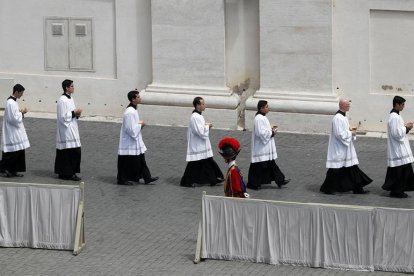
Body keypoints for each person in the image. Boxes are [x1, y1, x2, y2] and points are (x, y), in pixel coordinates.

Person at [320, 99, 372, 195]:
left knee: (352, 167)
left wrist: (350, 131)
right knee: (335, 169)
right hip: (339, 148)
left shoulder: (344, 117)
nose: (349, 106)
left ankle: (357, 188)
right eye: (347, 105)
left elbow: (343, 131)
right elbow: (339, 134)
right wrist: (350, 133)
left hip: (345, 147)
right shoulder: (338, 118)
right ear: (342, 106)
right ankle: (327, 188)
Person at [180, 97, 224, 187]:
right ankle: (186, 181)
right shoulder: (195, 117)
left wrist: (206, 125)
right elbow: (200, 132)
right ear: (197, 105)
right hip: (198, 144)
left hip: (201, 144)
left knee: (207, 162)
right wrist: (208, 126)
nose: (204, 105)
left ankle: (214, 179)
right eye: (203, 104)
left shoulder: (198, 116)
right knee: (195, 163)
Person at [117, 90, 158, 185]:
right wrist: (141, 125)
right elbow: (130, 129)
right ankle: (122, 179)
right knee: (126, 161)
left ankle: (147, 177)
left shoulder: (134, 110)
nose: (140, 98)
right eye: (138, 97)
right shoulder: (130, 112)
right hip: (129, 141)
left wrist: (139, 124)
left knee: (140, 158)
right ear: (133, 99)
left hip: (134, 140)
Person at [247, 100, 290, 190]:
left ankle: (280, 180)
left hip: (265, 147)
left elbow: (263, 130)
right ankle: (253, 183)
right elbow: (261, 133)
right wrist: (272, 132)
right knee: (257, 166)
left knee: (271, 163)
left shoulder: (262, 117)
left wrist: (270, 130)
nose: (268, 108)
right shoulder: (259, 118)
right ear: (261, 108)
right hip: (261, 147)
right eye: (266, 107)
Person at [382, 96, 414, 198]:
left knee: (403, 170)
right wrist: (406, 127)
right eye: (402, 104)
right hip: (398, 149)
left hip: (399, 148)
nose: (403, 106)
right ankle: (397, 191)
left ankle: (398, 190)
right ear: (397, 104)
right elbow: (396, 133)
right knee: (400, 171)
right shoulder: (394, 117)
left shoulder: (396, 116)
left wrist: (404, 127)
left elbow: (397, 130)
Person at [54, 79, 82, 181]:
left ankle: (66, 172)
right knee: (69, 152)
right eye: (72, 86)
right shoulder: (62, 100)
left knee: (73, 151)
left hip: (72, 127)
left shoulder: (70, 99)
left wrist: (77, 114)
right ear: (66, 88)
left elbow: (71, 113)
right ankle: (68, 173)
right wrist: (74, 113)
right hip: (66, 130)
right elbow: (62, 117)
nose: (73, 87)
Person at [0, 84, 30, 177]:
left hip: (15, 130)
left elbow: (14, 115)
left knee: (18, 150)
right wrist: (22, 113)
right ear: (16, 92)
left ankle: (14, 170)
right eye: (21, 93)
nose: (22, 95)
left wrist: (20, 112)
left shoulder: (13, 102)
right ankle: (5, 170)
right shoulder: (10, 102)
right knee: (11, 151)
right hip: (11, 131)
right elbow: (13, 119)